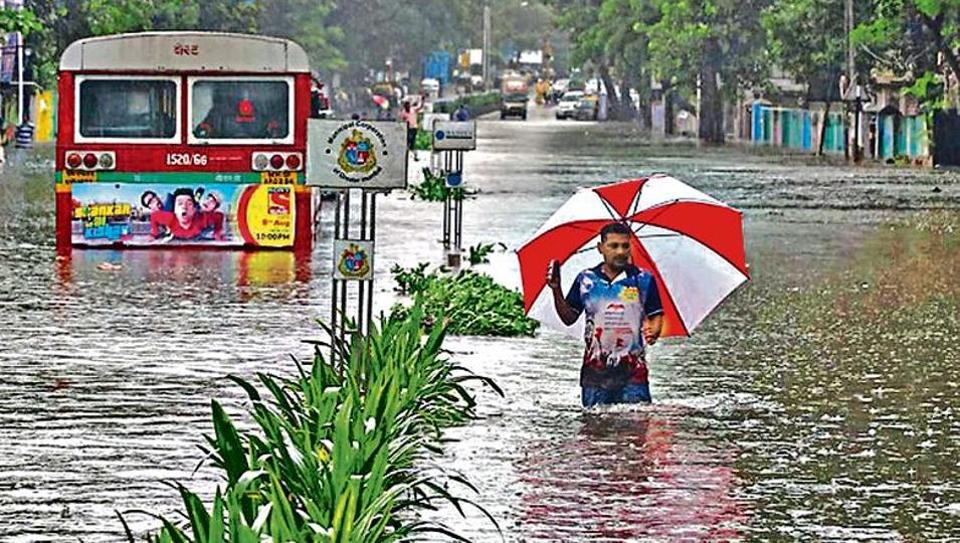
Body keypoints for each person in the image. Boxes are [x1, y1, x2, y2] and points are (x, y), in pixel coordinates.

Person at [547, 222, 664, 407]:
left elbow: (656, 314)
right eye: (614, 246)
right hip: (595, 375)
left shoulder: (643, 279)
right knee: (594, 430)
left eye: (625, 246)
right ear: (600, 248)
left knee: (636, 429)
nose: (620, 251)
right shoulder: (586, 280)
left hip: (634, 374)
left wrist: (655, 330)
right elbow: (568, 318)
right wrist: (556, 290)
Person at [150, 187, 224, 241]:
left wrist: (217, 232)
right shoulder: (170, 218)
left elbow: (219, 216)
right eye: (180, 203)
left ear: (194, 209)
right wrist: (154, 233)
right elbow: (154, 216)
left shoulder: (202, 219)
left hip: (196, 236)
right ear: (174, 209)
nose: (184, 207)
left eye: (189, 204)